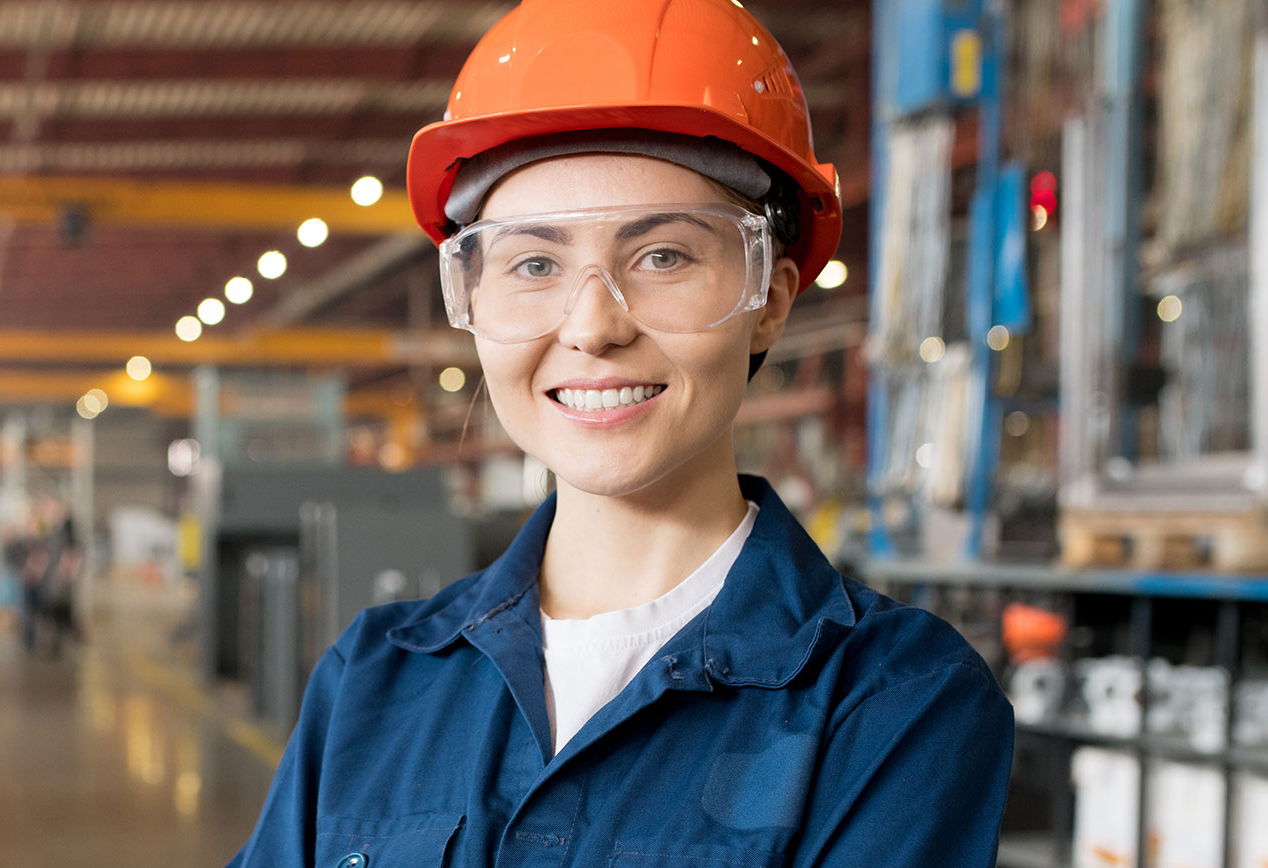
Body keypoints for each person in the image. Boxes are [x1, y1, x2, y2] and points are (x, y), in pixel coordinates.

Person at [226, 1, 1014, 866]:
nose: (593, 326)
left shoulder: (893, 705)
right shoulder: (374, 682)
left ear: (771, 300)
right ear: (473, 302)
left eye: (664, 255)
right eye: (534, 264)